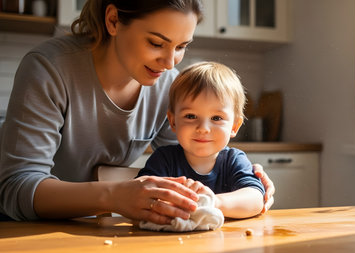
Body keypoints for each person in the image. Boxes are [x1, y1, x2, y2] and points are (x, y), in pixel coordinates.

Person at [0, 0, 274, 223]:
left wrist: (244, 180)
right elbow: (15, 189)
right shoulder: (50, 69)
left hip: (99, 228)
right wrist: (113, 196)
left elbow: (188, 163)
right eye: (156, 43)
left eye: (181, 47)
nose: (169, 63)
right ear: (113, 21)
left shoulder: (168, 85)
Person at [137, 62, 264, 219]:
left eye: (216, 118)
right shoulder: (164, 159)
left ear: (234, 126)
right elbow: (142, 194)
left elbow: (256, 199)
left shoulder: (234, 160)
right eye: (191, 116)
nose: (203, 128)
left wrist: (214, 202)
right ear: (173, 121)